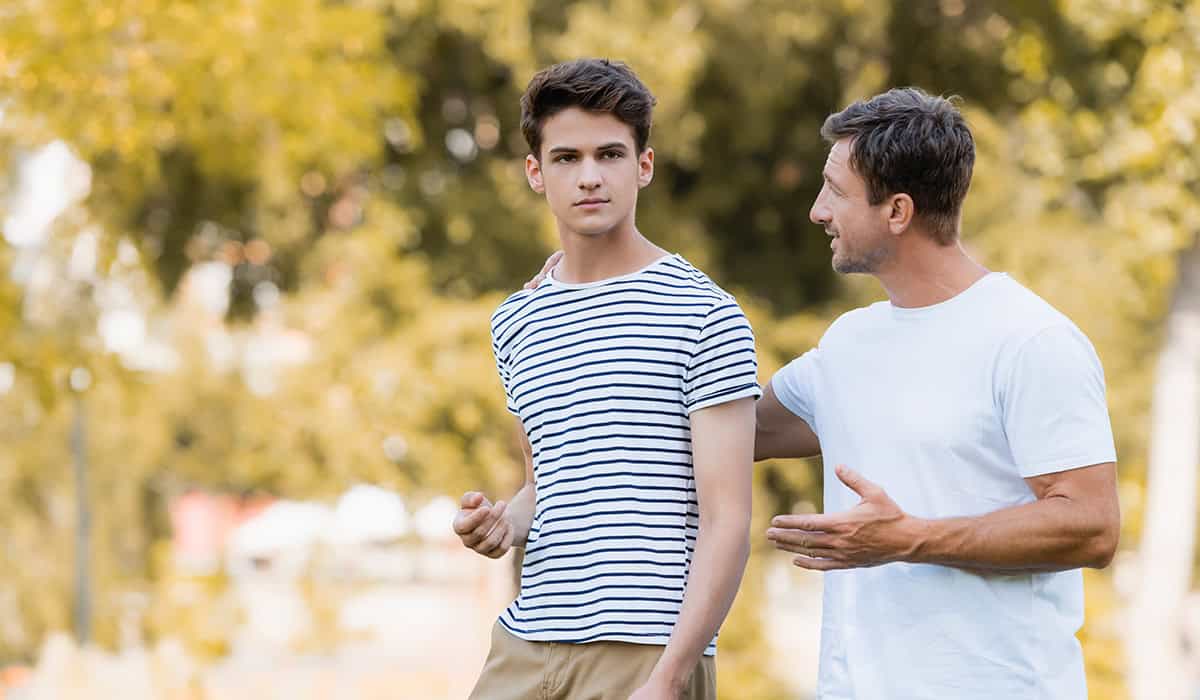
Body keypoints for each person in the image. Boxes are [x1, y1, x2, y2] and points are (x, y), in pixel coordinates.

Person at [755, 88, 1121, 699]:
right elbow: (730, 430)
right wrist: (587, 295)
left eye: (836, 192)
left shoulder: (1031, 340)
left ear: (897, 211)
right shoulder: (850, 342)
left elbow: (1092, 525)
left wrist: (910, 539)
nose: (818, 211)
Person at [453, 58, 761, 700]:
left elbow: (727, 520)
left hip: (646, 653)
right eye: (566, 157)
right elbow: (551, 482)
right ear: (536, 173)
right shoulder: (516, 319)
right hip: (525, 644)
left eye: (610, 154)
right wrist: (505, 522)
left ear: (642, 166)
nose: (589, 176)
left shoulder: (702, 312)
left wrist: (669, 678)